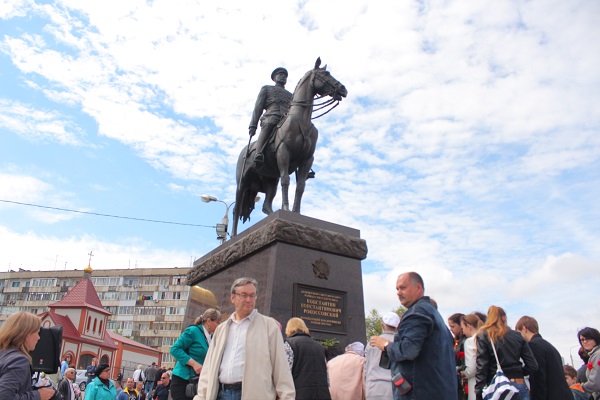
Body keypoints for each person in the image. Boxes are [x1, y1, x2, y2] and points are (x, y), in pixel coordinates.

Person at [196, 277, 295, 400]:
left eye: (252, 296)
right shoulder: (221, 329)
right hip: (221, 394)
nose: (249, 300)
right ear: (232, 298)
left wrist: (287, 397)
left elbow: (281, 367)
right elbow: (208, 368)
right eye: (244, 295)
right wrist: (201, 396)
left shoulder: (269, 326)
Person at [369, 272, 457, 399]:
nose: (398, 292)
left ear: (418, 288)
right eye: (397, 289)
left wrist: (385, 345)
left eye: (403, 287)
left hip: (420, 392)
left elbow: (408, 350)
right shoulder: (433, 314)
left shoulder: (417, 313)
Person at [475, 306, 538, 400]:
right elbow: (533, 366)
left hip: (498, 387)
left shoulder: (484, 336)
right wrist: (518, 372)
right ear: (504, 318)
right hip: (519, 384)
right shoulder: (517, 336)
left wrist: (479, 392)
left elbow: (482, 367)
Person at [0, 311, 56, 400]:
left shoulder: (4, 354)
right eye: (37, 332)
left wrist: (32, 389)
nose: (39, 337)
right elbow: (4, 397)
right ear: (26, 333)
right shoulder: (18, 360)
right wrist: (38, 395)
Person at [515, 315, 572, 400]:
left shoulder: (534, 346)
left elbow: (538, 378)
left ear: (524, 328)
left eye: (518, 333)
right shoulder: (550, 346)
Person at [170, 308, 221, 400]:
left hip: (198, 382)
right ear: (209, 321)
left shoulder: (211, 338)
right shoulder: (193, 331)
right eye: (217, 322)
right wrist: (194, 364)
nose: (219, 326)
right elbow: (175, 349)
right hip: (183, 380)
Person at [248, 67, 293, 164]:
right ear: (274, 78)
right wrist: (253, 125)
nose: (283, 77)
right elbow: (258, 108)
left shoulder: (291, 95)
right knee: (269, 123)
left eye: (285, 76)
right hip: (272, 115)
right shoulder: (267, 89)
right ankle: (258, 152)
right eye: (280, 75)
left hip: (287, 119)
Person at [284, 317, 330, 400]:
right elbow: (327, 377)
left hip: (300, 395)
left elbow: (285, 374)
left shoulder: (289, 344)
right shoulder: (320, 347)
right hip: (322, 395)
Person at [364, 312, 400, 400]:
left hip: (373, 387)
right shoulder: (399, 344)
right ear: (397, 327)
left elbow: (366, 369)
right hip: (393, 388)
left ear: (383, 326)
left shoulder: (372, 343)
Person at [460, 314, 483, 400]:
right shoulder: (486, 338)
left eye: (463, 328)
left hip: (475, 383)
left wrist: (464, 373)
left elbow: (471, 369)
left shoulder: (470, 341)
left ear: (469, 326)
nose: (463, 332)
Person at [449, 312, 468, 400]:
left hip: (463, 378)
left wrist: (458, 369)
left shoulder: (466, 341)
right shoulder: (454, 341)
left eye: (453, 326)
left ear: (461, 325)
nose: (451, 329)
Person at [578, 327, 600, 398]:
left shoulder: (598, 354)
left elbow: (595, 383)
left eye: (588, 338)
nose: (585, 342)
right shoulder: (594, 354)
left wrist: (579, 387)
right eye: (582, 340)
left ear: (595, 338)